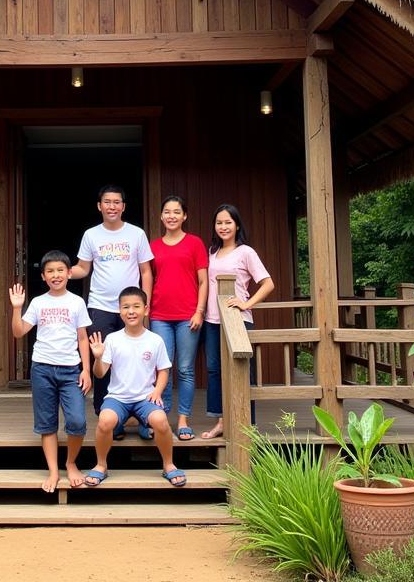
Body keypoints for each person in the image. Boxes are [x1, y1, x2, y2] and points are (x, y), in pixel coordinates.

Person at [83, 286, 186, 488]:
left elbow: (164, 370)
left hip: (144, 397)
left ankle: (169, 464)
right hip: (117, 398)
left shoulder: (155, 340)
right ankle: (101, 465)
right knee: (105, 421)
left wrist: (157, 391)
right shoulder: (112, 339)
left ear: (146, 309)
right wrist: (97, 358)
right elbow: (100, 373)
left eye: (136, 306)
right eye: (126, 307)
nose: (131, 311)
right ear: (119, 310)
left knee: (161, 420)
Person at [8, 250, 92, 492]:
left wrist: (85, 369)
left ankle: (71, 463)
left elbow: (83, 338)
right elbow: (19, 332)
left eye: (60, 270)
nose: (55, 275)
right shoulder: (38, 302)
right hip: (42, 368)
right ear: (44, 276)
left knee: (77, 421)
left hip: (70, 370)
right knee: (47, 424)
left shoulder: (76, 302)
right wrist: (17, 308)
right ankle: (54, 471)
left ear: (69, 273)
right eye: (50, 271)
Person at [70, 185, 154, 419]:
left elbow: (146, 271)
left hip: (132, 308)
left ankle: (140, 413)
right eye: (107, 202)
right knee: (102, 358)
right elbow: (83, 268)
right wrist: (64, 271)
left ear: (123, 206)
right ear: (99, 206)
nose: (112, 206)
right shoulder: (91, 234)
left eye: (117, 202)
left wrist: (145, 307)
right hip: (100, 307)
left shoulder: (136, 233)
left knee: (133, 359)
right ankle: (104, 411)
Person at [201, 203, 275, 439]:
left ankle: (247, 425)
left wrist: (247, 303)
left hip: (238, 320)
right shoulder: (212, 252)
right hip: (213, 320)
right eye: (219, 223)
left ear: (237, 225)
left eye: (228, 222)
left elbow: (268, 283)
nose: (223, 227)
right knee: (215, 370)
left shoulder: (246, 252)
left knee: (243, 372)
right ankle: (221, 422)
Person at [148, 195, 208, 441]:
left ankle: (183, 420)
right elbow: (149, 279)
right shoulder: (153, 246)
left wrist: (199, 311)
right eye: (167, 212)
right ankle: (158, 417)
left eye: (176, 212)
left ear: (185, 216)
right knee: (161, 368)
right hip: (159, 315)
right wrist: (146, 309)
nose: (171, 216)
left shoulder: (195, 243)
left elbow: (203, 281)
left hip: (188, 316)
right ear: (161, 216)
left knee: (184, 369)